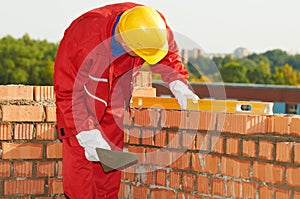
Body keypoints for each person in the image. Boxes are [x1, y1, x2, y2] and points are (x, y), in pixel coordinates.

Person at [53, 2, 199, 199]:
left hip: (115, 100)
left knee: (109, 172)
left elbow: (167, 55)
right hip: (82, 103)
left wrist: (178, 84)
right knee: (81, 174)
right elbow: (68, 93)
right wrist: (86, 133)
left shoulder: (153, 25)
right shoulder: (82, 36)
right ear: (124, 41)